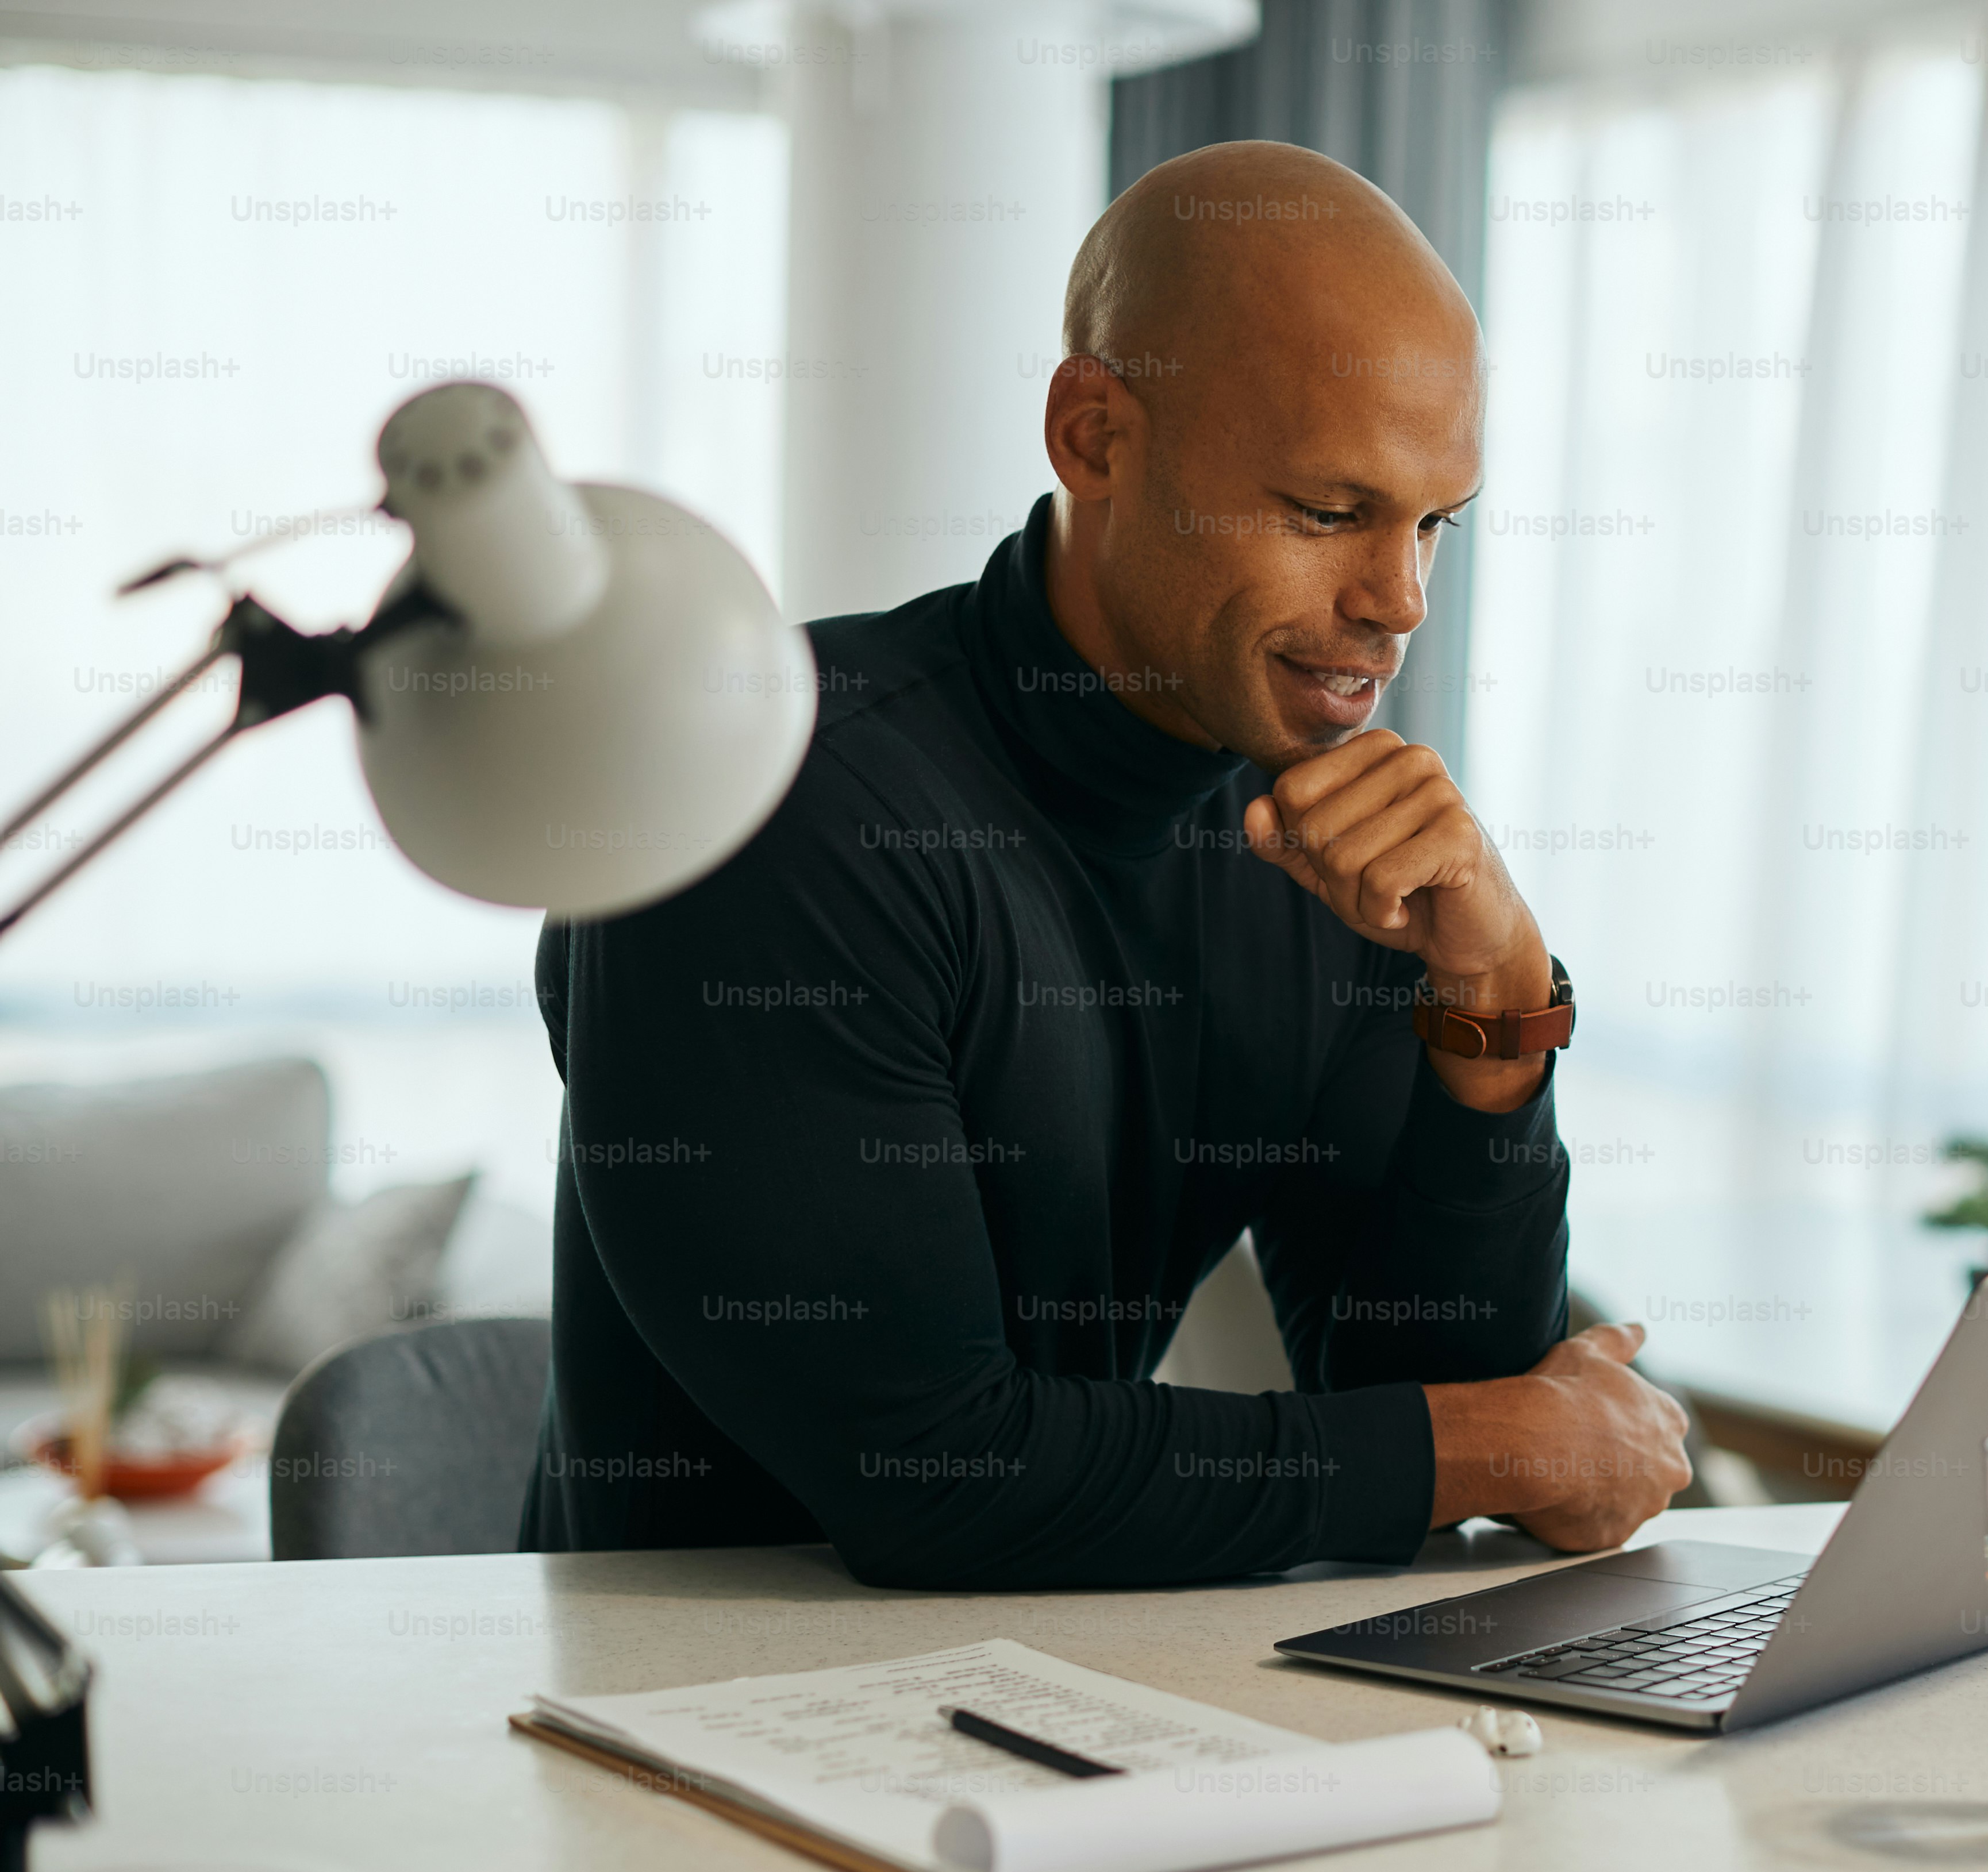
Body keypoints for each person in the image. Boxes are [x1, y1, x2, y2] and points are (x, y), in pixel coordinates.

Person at [520, 141, 1691, 1585]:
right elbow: (935, 1473)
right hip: (687, 1746)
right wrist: (1499, 1448)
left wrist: (1502, 1014)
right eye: (1331, 513)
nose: (1399, 603)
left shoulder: (1315, 838)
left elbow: (1431, 1390)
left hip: (1101, 1706)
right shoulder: (774, 800)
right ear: (1095, 437)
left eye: (1434, 524)